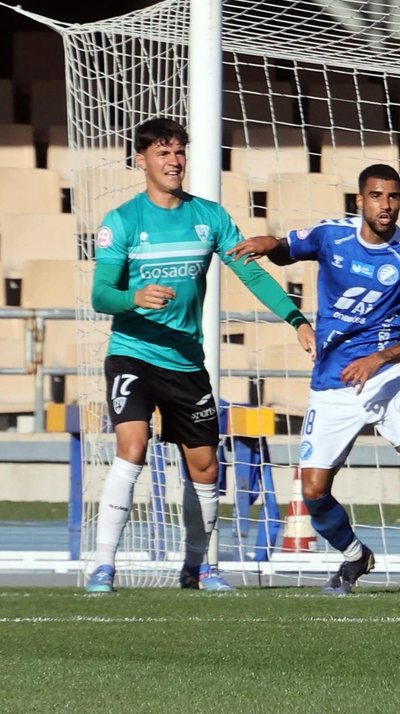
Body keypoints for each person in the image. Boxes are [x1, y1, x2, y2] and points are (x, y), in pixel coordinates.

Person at [227, 164, 400, 595]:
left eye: (393, 196)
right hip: (333, 380)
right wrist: (270, 245)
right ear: (360, 200)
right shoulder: (332, 235)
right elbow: (287, 249)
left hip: (386, 375)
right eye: (377, 196)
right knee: (313, 492)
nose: (386, 205)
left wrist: (379, 359)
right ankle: (355, 555)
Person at [86, 117, 314, 593]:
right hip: (133, 353)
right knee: (133, 446)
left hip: (186, 360)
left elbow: (251, 273)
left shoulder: (209, 217)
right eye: (163, 153)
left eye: (179, 152)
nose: (174, 161)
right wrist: (133, 298)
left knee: (206, 466)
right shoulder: (122, 222)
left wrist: (296, 319)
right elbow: (101, 294)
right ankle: (103, 565)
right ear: (141, 160)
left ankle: (197, 566)